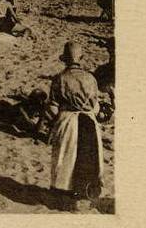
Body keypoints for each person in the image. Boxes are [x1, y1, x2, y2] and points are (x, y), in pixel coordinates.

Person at [39, 41, 103, 210]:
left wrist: (52, 124)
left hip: (68, 123)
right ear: (81, 58)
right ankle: (85, 198)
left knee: (65, 161)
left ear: (65, 59)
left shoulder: (60, 78)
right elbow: (96, 107)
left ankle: (64, 199)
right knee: (89, 159)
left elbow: (52, 107)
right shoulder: (91, 78)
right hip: (90, 123)